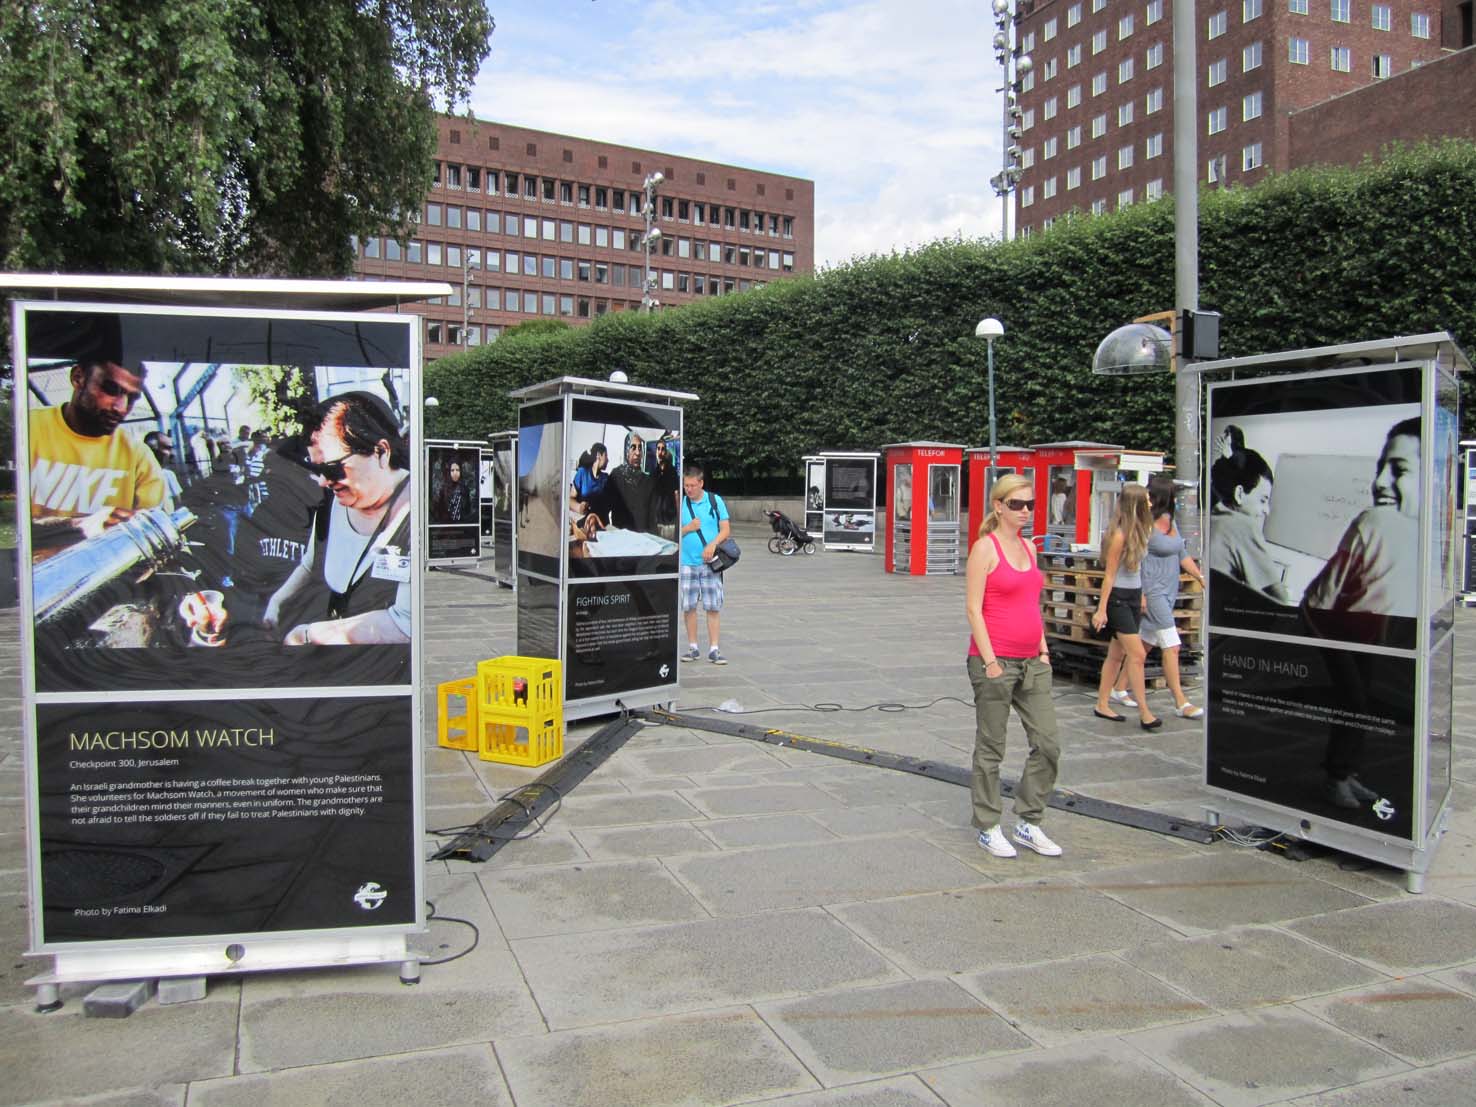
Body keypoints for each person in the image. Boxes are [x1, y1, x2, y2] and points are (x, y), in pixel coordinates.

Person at [262, 392, 412, 645]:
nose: (323, 481)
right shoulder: (330, 503)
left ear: (381, 452)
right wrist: (277, 601)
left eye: (332, 469)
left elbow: (405, 624)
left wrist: (308, 635)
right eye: (316, 469)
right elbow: (310, 564)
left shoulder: (418, 512)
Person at [964, 473, 1062, 859]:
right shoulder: (985, 549)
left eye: (1030, 504)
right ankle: (988, 825)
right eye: (1016, 504)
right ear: (998, 506)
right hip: (995, 661)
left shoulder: (1030, 548)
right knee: (992, 747)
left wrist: (1043, 651)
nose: (1025, 511)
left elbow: (1032, 604)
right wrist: (990, 663)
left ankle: (1028, 821)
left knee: (1048, 743)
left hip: (1032, 661)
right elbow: (973, 609)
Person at [29, 356, 165, 549]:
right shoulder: (23, 430)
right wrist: (88, 526)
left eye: (132, 398)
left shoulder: (139, 458)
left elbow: (153, 539)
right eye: (111, 390)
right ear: (78, 378)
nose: (121, 408)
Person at [1303, 416, 1420, 619]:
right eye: (1379, 469)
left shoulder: (1376, 522)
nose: (1379, 482)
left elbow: (1312, 609)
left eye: (1399, 470)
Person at [1111, 475, 1207, 718]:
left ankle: (1119, 687)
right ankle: (1181, 702)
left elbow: (1182, 553)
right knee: (1172, 646)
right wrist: (1141, 594)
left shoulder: (1171, 521)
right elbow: (1135, 559)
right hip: (1152, 591)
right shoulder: (1144, 525)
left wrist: (1200, 577)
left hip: (1169, 591)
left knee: (1144, 644)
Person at [1092, 483, 1161, 730]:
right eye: (1147, 500)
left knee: (1116, 654)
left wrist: (1141, 595)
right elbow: (1109, 575)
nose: (1151, 503)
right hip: (1118, 598)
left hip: (1132, 595)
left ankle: (1102, 703)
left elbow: (1137, 568)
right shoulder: (1119, 535)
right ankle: (1145, 712)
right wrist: (1101, 609)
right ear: (1137, 505)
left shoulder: (1141, 531)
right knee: (1137, 654)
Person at [1207, 425, 1292, 604]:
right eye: (1262, 500)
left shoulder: (1211, 517)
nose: (1266, 510)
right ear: (1239, 494)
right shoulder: (1242, 525)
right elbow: (1282, 600)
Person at [679, 462, 730, 664]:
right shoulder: (681, 503)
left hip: (710, 563)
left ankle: (714, 649)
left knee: (712, 606)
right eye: (686, 485)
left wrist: (712, 545)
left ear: (701, 483)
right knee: (688, 606)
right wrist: (688, 528)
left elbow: (725, 530)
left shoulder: (714, 501)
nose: (689, 489)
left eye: (692, 485)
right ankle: (693, 647)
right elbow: (672, 533)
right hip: (686, 563)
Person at [606, 432, 656, 532]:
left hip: (643, 538)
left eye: (640, 448)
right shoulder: (616, 476)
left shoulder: (648, 481)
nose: (637, 453)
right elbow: (604, 507)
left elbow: (652, 517)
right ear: (626, 451)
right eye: (633, 448)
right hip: (621, 537)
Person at [142, 431, 183, 507]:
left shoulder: (168, 475)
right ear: (153, 450)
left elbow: (178, 505)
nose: (172, 453)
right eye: (167, 448)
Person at [569, 442, 609, 516]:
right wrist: (579, 507)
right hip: (581, 517)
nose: (608, 460)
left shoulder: (605, 478)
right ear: (598, 455)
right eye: (606, 456)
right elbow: (570, 499)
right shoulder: (582, 473)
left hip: (598, 518)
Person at [435, 458, 472, 523]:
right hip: (446, 525)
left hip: (463, 525)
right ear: (449, 472)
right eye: (452, 470)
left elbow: (468, 510)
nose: (455, 473)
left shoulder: (465, 489)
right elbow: (440, 511)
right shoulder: (443, 490)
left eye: (457, 470)